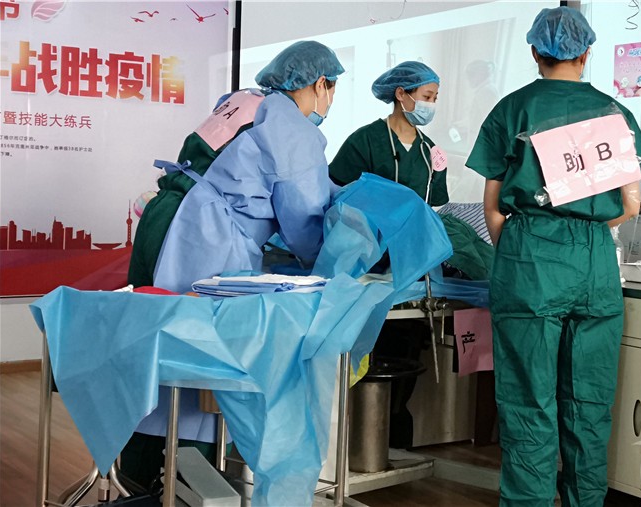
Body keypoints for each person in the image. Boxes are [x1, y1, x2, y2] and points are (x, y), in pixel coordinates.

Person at [121, 40, 344, 488]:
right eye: (332, 89)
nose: (330, 100)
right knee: (200, 359)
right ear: (320, 83)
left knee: (149, 349)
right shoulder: (292, 128)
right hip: (201, 238)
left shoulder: (241, 102)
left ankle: (134, 480)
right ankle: (187, 485)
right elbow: (304, 222)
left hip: (161, 217)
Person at [465, 7, 641, 506]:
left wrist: (529, 240)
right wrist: (585, 230)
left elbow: (492, 209)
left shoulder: (512, 109)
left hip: (530, 259)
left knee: (528, 401)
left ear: (534, 51)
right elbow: (631, 205)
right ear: (587, 53)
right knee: (589, 405)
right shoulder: (613, 112)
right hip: (595, 262)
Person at [329, 61, 448, 206]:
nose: (431, 104)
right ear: (400, 94)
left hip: (417, 221)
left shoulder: (429, 150)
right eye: (427, 97)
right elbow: (339, 193)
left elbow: (433, 203)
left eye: (435, 99)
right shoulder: (364, 141)